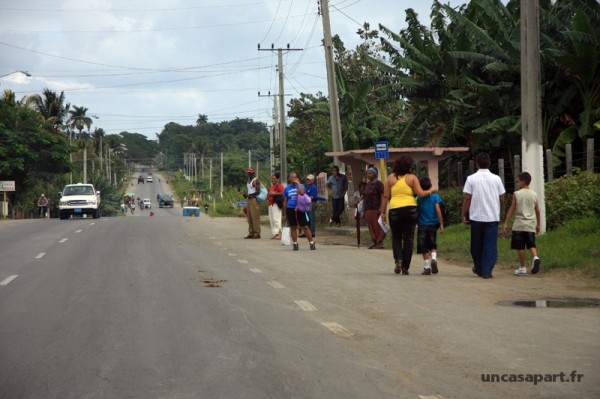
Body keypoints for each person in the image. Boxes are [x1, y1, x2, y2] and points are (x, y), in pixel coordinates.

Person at [379, 155, 433, 275]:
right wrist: (431, 191)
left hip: (394, 210)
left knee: (396, 237)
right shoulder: (412, 178)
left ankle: (398, 259)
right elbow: (420, 194)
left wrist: (382, 212)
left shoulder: (390, 178)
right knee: (408, 238)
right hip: (410, 210)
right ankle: (405, 267)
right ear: (409, 166)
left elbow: (386, 197)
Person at [461, 152, 506, 279]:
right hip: (492, 216)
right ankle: (486, 270)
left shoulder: (471, 179)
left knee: (476, 244)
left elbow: (467, 198)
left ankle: (478, 266)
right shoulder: (496, 179)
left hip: (476, 216)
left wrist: (464, 213)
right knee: (490, 244)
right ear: (490, 163)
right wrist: (499, 209)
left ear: (476, 164)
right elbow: (502, 197)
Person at [503, 172, 541, 276]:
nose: (517, 183)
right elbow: (537, 210)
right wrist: (538, 224)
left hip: (519, 224)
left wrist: (506, 222)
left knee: (520, 247)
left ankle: (522, 267)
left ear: (523, 181)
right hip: (530, 225)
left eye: (518, 181)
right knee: (531, 244)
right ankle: (535, 257)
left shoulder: (517, 194)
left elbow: (512, 208)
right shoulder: (534, 194)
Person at [416, 177, 444, 275]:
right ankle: (434, 258)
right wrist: (441, 223)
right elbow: (438, 210)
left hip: (422, 225)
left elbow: (417, 211)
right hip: (433, 224)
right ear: (430, 186)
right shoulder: (435, 197)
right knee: (433, 244)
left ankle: (427, 267)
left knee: (424, 246)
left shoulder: (418, 198)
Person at [283, 172, 315, 251]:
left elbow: (302, 192)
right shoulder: (287, 188)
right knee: (293, 227)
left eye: (295, 177)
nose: (294, 179)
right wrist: (285, 213)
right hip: (290, 208)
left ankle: (311, 242)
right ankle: (295, 244)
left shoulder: (301, 186)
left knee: (305, 226)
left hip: (300, 208)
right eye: (292, 177)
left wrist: (298, 184)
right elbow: (285, 202)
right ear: (289, 178)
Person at [363, 167, 386, 249]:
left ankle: (379, 242)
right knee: (371, 226)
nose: (368, 175)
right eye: (367, 173)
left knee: (378, 225)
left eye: (370, 173)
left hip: (376, 208)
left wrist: (381, 207)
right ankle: (374, 241)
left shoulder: (378, 184)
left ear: (374, 174)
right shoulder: (368, 184)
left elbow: (383, 196)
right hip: (368, 208)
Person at [244, 167, 261, 239]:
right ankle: (251, 232)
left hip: (254, 199)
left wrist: (249, 195)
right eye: (248, 173)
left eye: (250, 173)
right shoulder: (248, 181)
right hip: (249, 199)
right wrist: (246, 195)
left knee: (255, 217)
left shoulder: (255, 180)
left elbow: (258, 191)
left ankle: (257, 233)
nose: (249, 174)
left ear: (253, 173)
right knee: (249, 216)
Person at [267, 172, 285, 240]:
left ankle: (279, 233)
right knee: (272, 220)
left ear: (277, 179)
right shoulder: (271, 187)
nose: (272, 180)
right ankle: (275, 233)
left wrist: (274, 193)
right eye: (272, 178)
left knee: (276, 219)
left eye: (274, 178)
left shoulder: (279, 186)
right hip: (270, 204)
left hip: (276, 204)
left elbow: (283, 193)